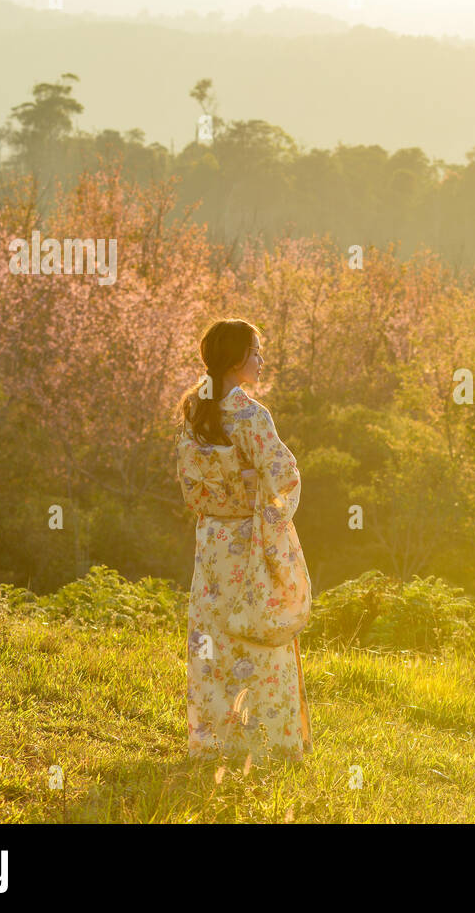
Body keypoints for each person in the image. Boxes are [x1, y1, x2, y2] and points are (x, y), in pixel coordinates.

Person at [174, 318, 312, 763]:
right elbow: (285, 478)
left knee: (212, 637)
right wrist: (263, 510)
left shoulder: (196, 409)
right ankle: (270, 745)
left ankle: (214, 742)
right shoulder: (250, 413)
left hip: (212, 540)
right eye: (256, 351)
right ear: (236, 359)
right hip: (250, 542)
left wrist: (227, 484)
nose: (261, 359)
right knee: (259, 634)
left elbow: (191, 486)